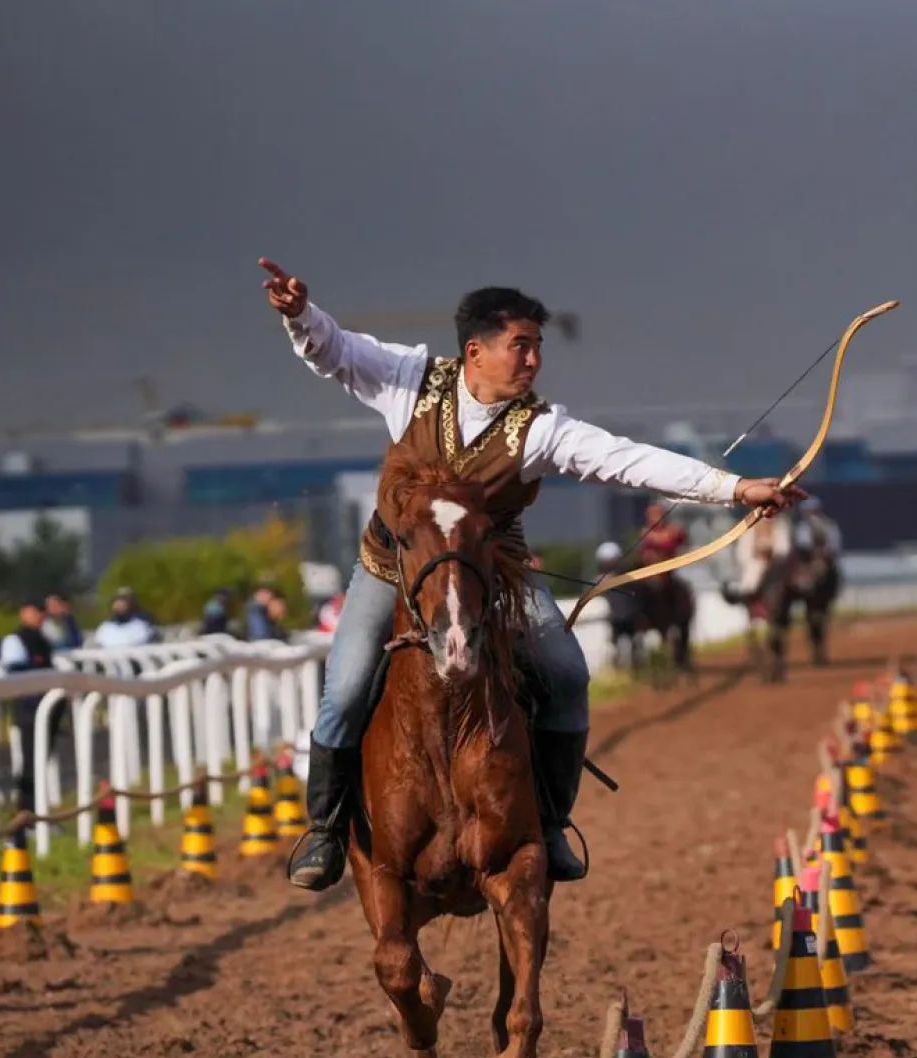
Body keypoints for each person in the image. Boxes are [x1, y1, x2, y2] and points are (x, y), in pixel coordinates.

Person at [260, 258, 804, 890]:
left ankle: (549, 823)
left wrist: (735, 488)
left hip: (496, 572)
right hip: (392, 569)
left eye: (538, 347)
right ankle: (324, 830)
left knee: (568, 674)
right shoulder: (408, 379)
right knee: (348, 688)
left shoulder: (541, 429)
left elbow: (628, 461)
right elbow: (335, 351)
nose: (534, 360)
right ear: (476, 351)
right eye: (520, 346)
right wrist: (300, 315)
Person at [0, 601, 56, 814]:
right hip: (27, 710)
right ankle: (26, 810)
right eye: (35, 612)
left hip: (46, 708)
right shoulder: (15, 641)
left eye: (42, 612)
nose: (40, 616)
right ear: (24, 613)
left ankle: (36, 811)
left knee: (41, 761)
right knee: (30, 762)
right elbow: (15, 673)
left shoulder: (45, 638)